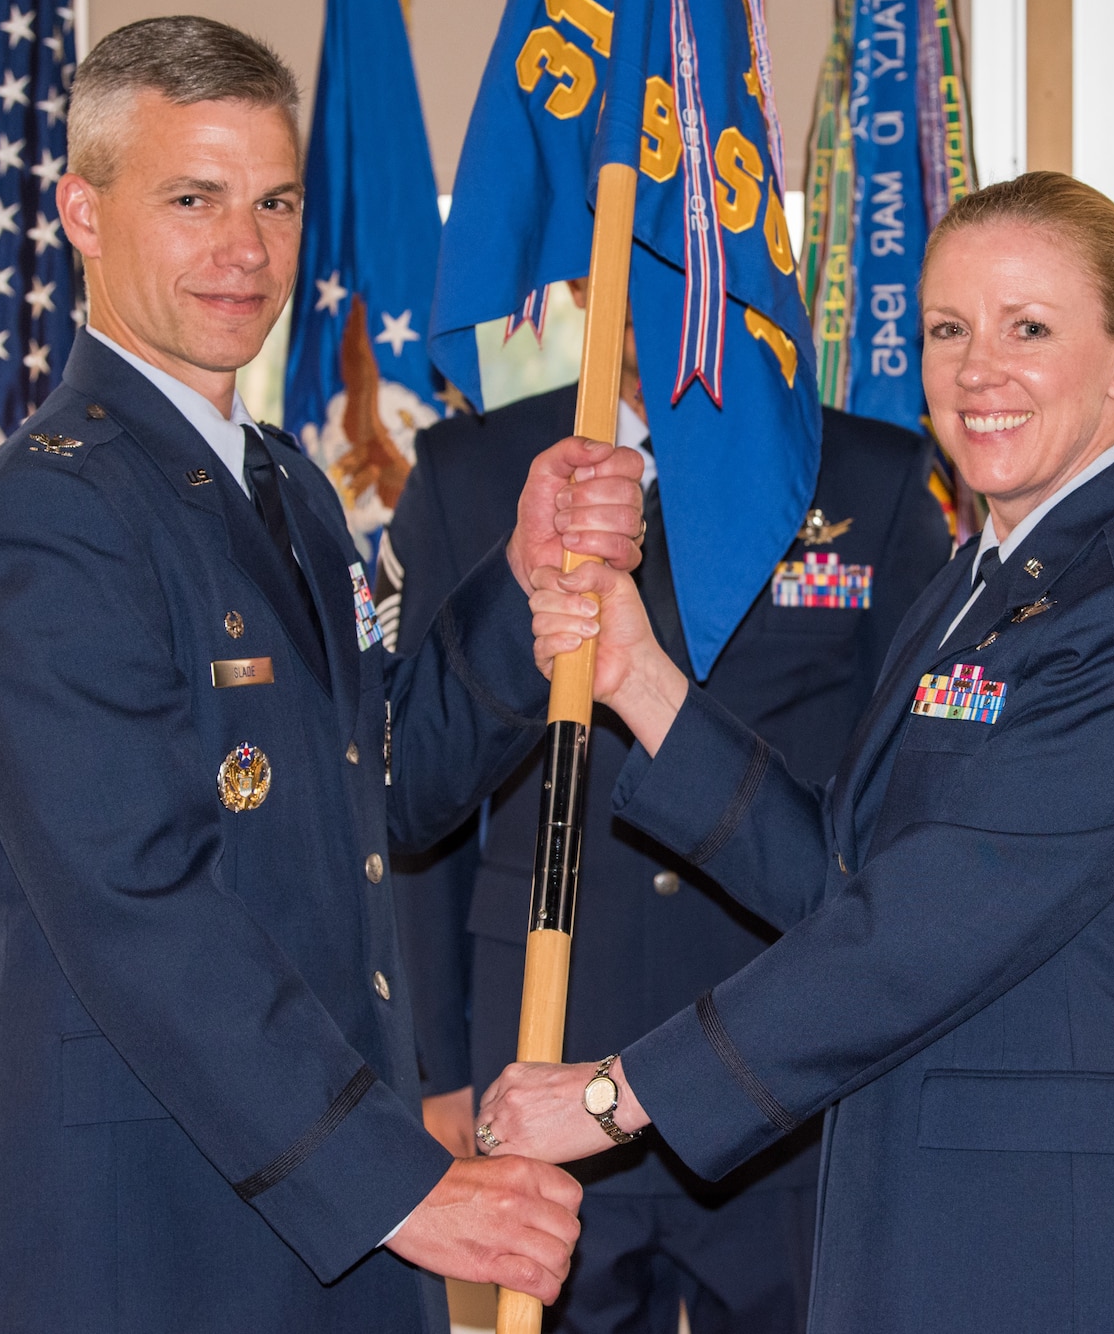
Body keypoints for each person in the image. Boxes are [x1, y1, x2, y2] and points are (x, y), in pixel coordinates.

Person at [0, 16, 645, 1333]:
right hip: (146, 1246)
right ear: (83, 211)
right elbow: (144, 913)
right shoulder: (52, 520)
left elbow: (380, 786)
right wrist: (401, 1186)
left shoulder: (282, 488)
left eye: (275, 202)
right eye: (191, 199)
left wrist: (520, 591)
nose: (243, 252)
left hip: (322, 1238)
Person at [478, 171, 1114, 1333]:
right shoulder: (984, 577)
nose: (976, 370)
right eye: (948, 329)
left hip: (1069, 1255)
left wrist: (615, 1094)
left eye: (1029, 328)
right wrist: (640, 682)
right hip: (918, 1232)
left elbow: (921, 925)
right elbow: (838, 876)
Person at [381, 277, 950, 1333]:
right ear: (581, 288)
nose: (655, 311)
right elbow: (416, 804)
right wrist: (436, 1069)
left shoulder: (865, 476)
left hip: (779, 1070)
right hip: (546, 1044)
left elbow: (901, 801)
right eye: (626, 282)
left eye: (683, 278)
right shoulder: (472, 472)